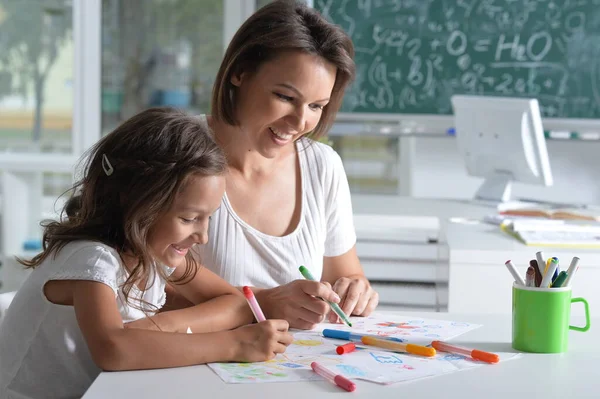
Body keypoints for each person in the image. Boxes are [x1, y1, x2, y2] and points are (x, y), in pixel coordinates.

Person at [0, 107, 292, 399]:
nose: (202, 236)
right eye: (189, 218)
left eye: (209, 218)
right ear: (139, 204)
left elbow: (235, 303)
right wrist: (235, 345)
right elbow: (113, 349)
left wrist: (159, 327)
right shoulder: (91, 258)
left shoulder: (151, 252)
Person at [191, 0, 379, 330]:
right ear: (240, 72)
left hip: (293, 369)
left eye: (317, 106)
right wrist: (261, 303)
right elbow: (143, 292)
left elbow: (344, 274)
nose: (300, 121)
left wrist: (354, 289)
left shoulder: (323, 167)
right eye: (286, 97)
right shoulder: (175, 154)